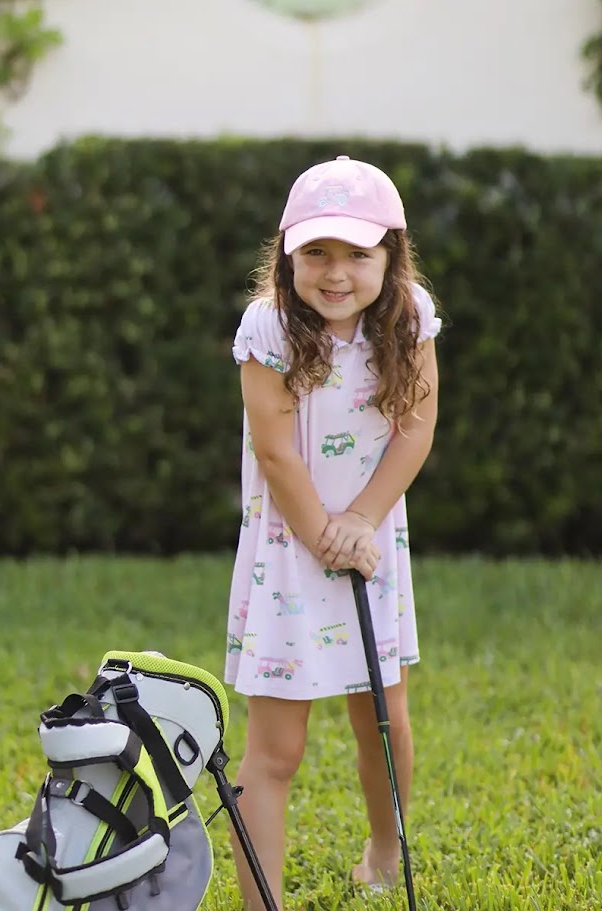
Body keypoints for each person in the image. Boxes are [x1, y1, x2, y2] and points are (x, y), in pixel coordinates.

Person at [224, 155, 441, 910]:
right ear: (287, 253)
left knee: (381, 719)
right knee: (273, 750)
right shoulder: (270, 327)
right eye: (317, 251)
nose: (336, 271)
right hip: (288, 553)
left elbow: (414, 429)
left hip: (370, 541)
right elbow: (275, 450)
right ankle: (263, 902)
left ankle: (384, 851)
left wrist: (361, 520)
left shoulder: (409, 315)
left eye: (357, 252)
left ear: (391, 254)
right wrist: (322, 531)